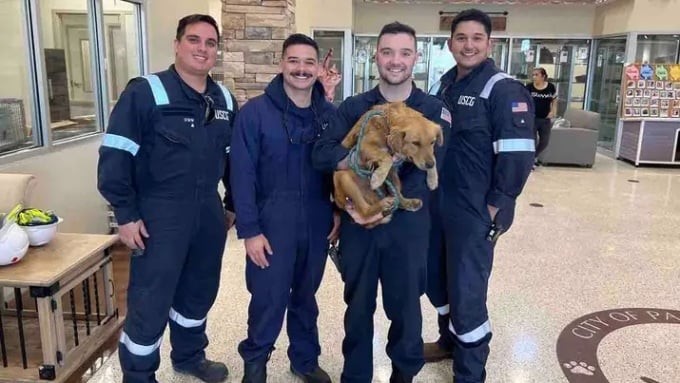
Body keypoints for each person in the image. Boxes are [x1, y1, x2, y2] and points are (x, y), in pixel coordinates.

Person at [97, 14, 237, 383]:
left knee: (200, 288)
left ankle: (190, 355)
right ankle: (139, 374)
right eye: (193, 40)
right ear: (177, 45)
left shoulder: (224, 98)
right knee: (152, 296)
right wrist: (125, 215)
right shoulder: (145, 92)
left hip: (207, 210)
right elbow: (116, 155)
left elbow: (234, 160)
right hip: (160, 213)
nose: (202, 49)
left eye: (210, 43)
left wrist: (232, 204)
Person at [312, 22, 450, 383]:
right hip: (358, 225)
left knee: (405, 310)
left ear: (416, 58)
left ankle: (404, 376)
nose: (396, 60)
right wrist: (356, 198)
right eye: (387, 51)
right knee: (357, 309)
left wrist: (387, 204)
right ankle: (355, 376)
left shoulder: (432, 111)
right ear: (376, 56)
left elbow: (431, 171)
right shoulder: (356, 107)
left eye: (405, 52)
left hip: (407, 227)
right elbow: (323, 153)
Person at [424, 9, 535, 382]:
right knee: (436, 278)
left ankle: (470, 372)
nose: (468, 45)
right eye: (461, 38)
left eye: (476, 38)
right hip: (440, 204)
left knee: (467, 289)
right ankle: (447, 341)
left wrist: (496, 205)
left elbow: (519, 154)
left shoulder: (503, 89)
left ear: (489, 43)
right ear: (450, 42)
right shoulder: (445, 85)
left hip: (476, 211)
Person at [229, 33, 339, 383]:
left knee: (306, 296)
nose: (301, 69)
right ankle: (256, 362)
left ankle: (304, 361)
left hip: (317, 219)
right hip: (271, 222)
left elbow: (340, 169)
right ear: (281, 64)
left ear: (319, 67)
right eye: (294, 61)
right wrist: (249, 230)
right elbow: (241, 176)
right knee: (268, 297)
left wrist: (337, 211)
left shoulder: (330, 115)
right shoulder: (254, 114)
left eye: (309, 62)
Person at [526, 67, 557, 166]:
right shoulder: (529, 87)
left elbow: (554, 100)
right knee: (533, 141)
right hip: (532, 118)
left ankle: (534, 156)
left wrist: (553, 111)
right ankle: (530, 161)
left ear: (543, 76)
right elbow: (524, 100)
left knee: (545, 141)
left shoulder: (551, 87)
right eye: (533, 75)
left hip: (545, 119)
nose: (534, 77)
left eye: (536, 75)